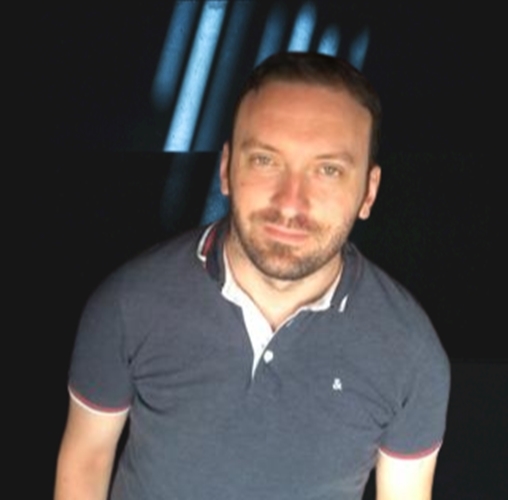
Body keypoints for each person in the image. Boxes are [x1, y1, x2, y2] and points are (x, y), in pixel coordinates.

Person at [55, 52, 450, 500]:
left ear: (369, 192)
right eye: (265, 160)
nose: (291, 202)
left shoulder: (412, 353)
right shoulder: (127, 303)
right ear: (226, 169)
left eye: (328, 170)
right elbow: (86, 462)